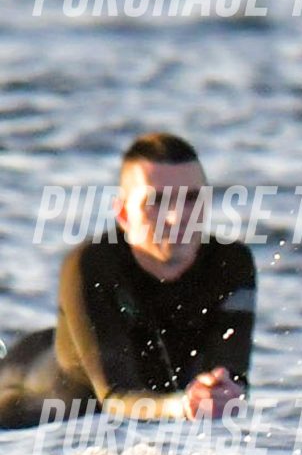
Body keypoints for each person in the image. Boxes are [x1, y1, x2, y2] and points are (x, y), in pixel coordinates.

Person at [0, 132, 254, 429]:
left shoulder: (231, 262)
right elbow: (114, 396)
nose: (177, 218)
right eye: (156, 201)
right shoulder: (91, 263)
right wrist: (182, 405)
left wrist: (222, 390)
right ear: (123, 213)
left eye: (191, 199)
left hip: (158, 405)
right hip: (32, 395)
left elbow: (231, 372)